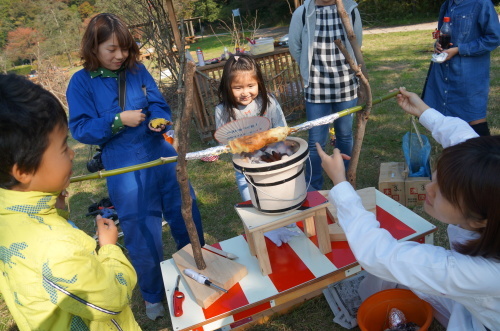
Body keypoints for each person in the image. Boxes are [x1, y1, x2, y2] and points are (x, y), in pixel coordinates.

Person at [317, 87, 500, 330]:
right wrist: (423, 111)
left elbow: (379, 254)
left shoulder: (478, 274)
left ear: (480, 220)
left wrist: (340, 184)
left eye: (442, 191)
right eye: (435, 178)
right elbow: (463, 138)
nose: (428, 188)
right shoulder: (490, 191)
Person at [66, 13, 205, 320]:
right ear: (94, 47)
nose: (120, 56)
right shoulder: (81, 82)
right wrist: (117, 120)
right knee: (143, 233)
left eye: (125, 48)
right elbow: (81, 129)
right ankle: (154, 295)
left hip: (161, 155)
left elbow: (157, 101)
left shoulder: (137, 70)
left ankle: (201, 270)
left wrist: (158, 117)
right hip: (124, 166)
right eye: (111, 49)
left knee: (186, 211)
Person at [0, 73, 141, 330]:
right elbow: (112, 299)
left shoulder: (9, 219)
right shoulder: (56, 247)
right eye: (64, 147)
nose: (72, 152)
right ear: (23, 172)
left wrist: (58, 214)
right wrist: (109, 248)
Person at [215, 54, 299, 247]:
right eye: (238, 88)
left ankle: (289, 226)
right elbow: (223, 142)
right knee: (255, 206)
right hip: (245, 169)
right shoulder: (223, 110)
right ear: (228, 87)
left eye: (250, 86)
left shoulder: (268, 101)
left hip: (273, 164)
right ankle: (265, 234)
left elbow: (281, 127)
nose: (245, 92)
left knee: (280, 198)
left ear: (259, 82)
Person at [288, 0, 362, 190]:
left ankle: (343, 181)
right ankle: (314, 186)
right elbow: (295, 47)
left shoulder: (350, 9)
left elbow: (356, 43)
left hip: (345, 85)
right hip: (316, 86)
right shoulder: (303, 13)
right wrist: (309, 68)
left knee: (344, 136)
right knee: (315, 142)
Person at [422, 0, 500, 136]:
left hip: (469, 75)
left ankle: (487, 155)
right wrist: (438, 44)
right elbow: (443, 34)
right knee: (448, 123)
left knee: (474, 120)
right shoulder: (447, 4)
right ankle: (457, 155)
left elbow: (493, 38)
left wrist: (459, 49)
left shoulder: (481, 3)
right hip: (444, 72)